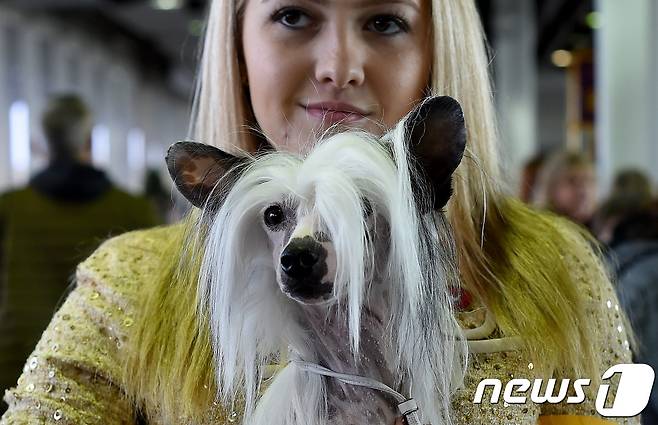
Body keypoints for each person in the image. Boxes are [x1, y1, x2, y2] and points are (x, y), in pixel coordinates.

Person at [1, 2, 638, 424]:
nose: (339, 69)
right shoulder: (129, 285)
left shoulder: (553, 269)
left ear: (439, 43)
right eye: (294, 15)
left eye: (385, 21)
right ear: (238, 44)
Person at [0, 94, 160, 413]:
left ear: (43, 142)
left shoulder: (10, 209)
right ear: (89, 139)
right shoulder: (135, 211)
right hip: (107, 380)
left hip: (15, 374)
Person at [533, 150, 598, 230]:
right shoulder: (539, 229)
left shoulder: (604, 229)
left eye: (588, 180)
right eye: (572, 181)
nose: (583, 190)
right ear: (551, 187)